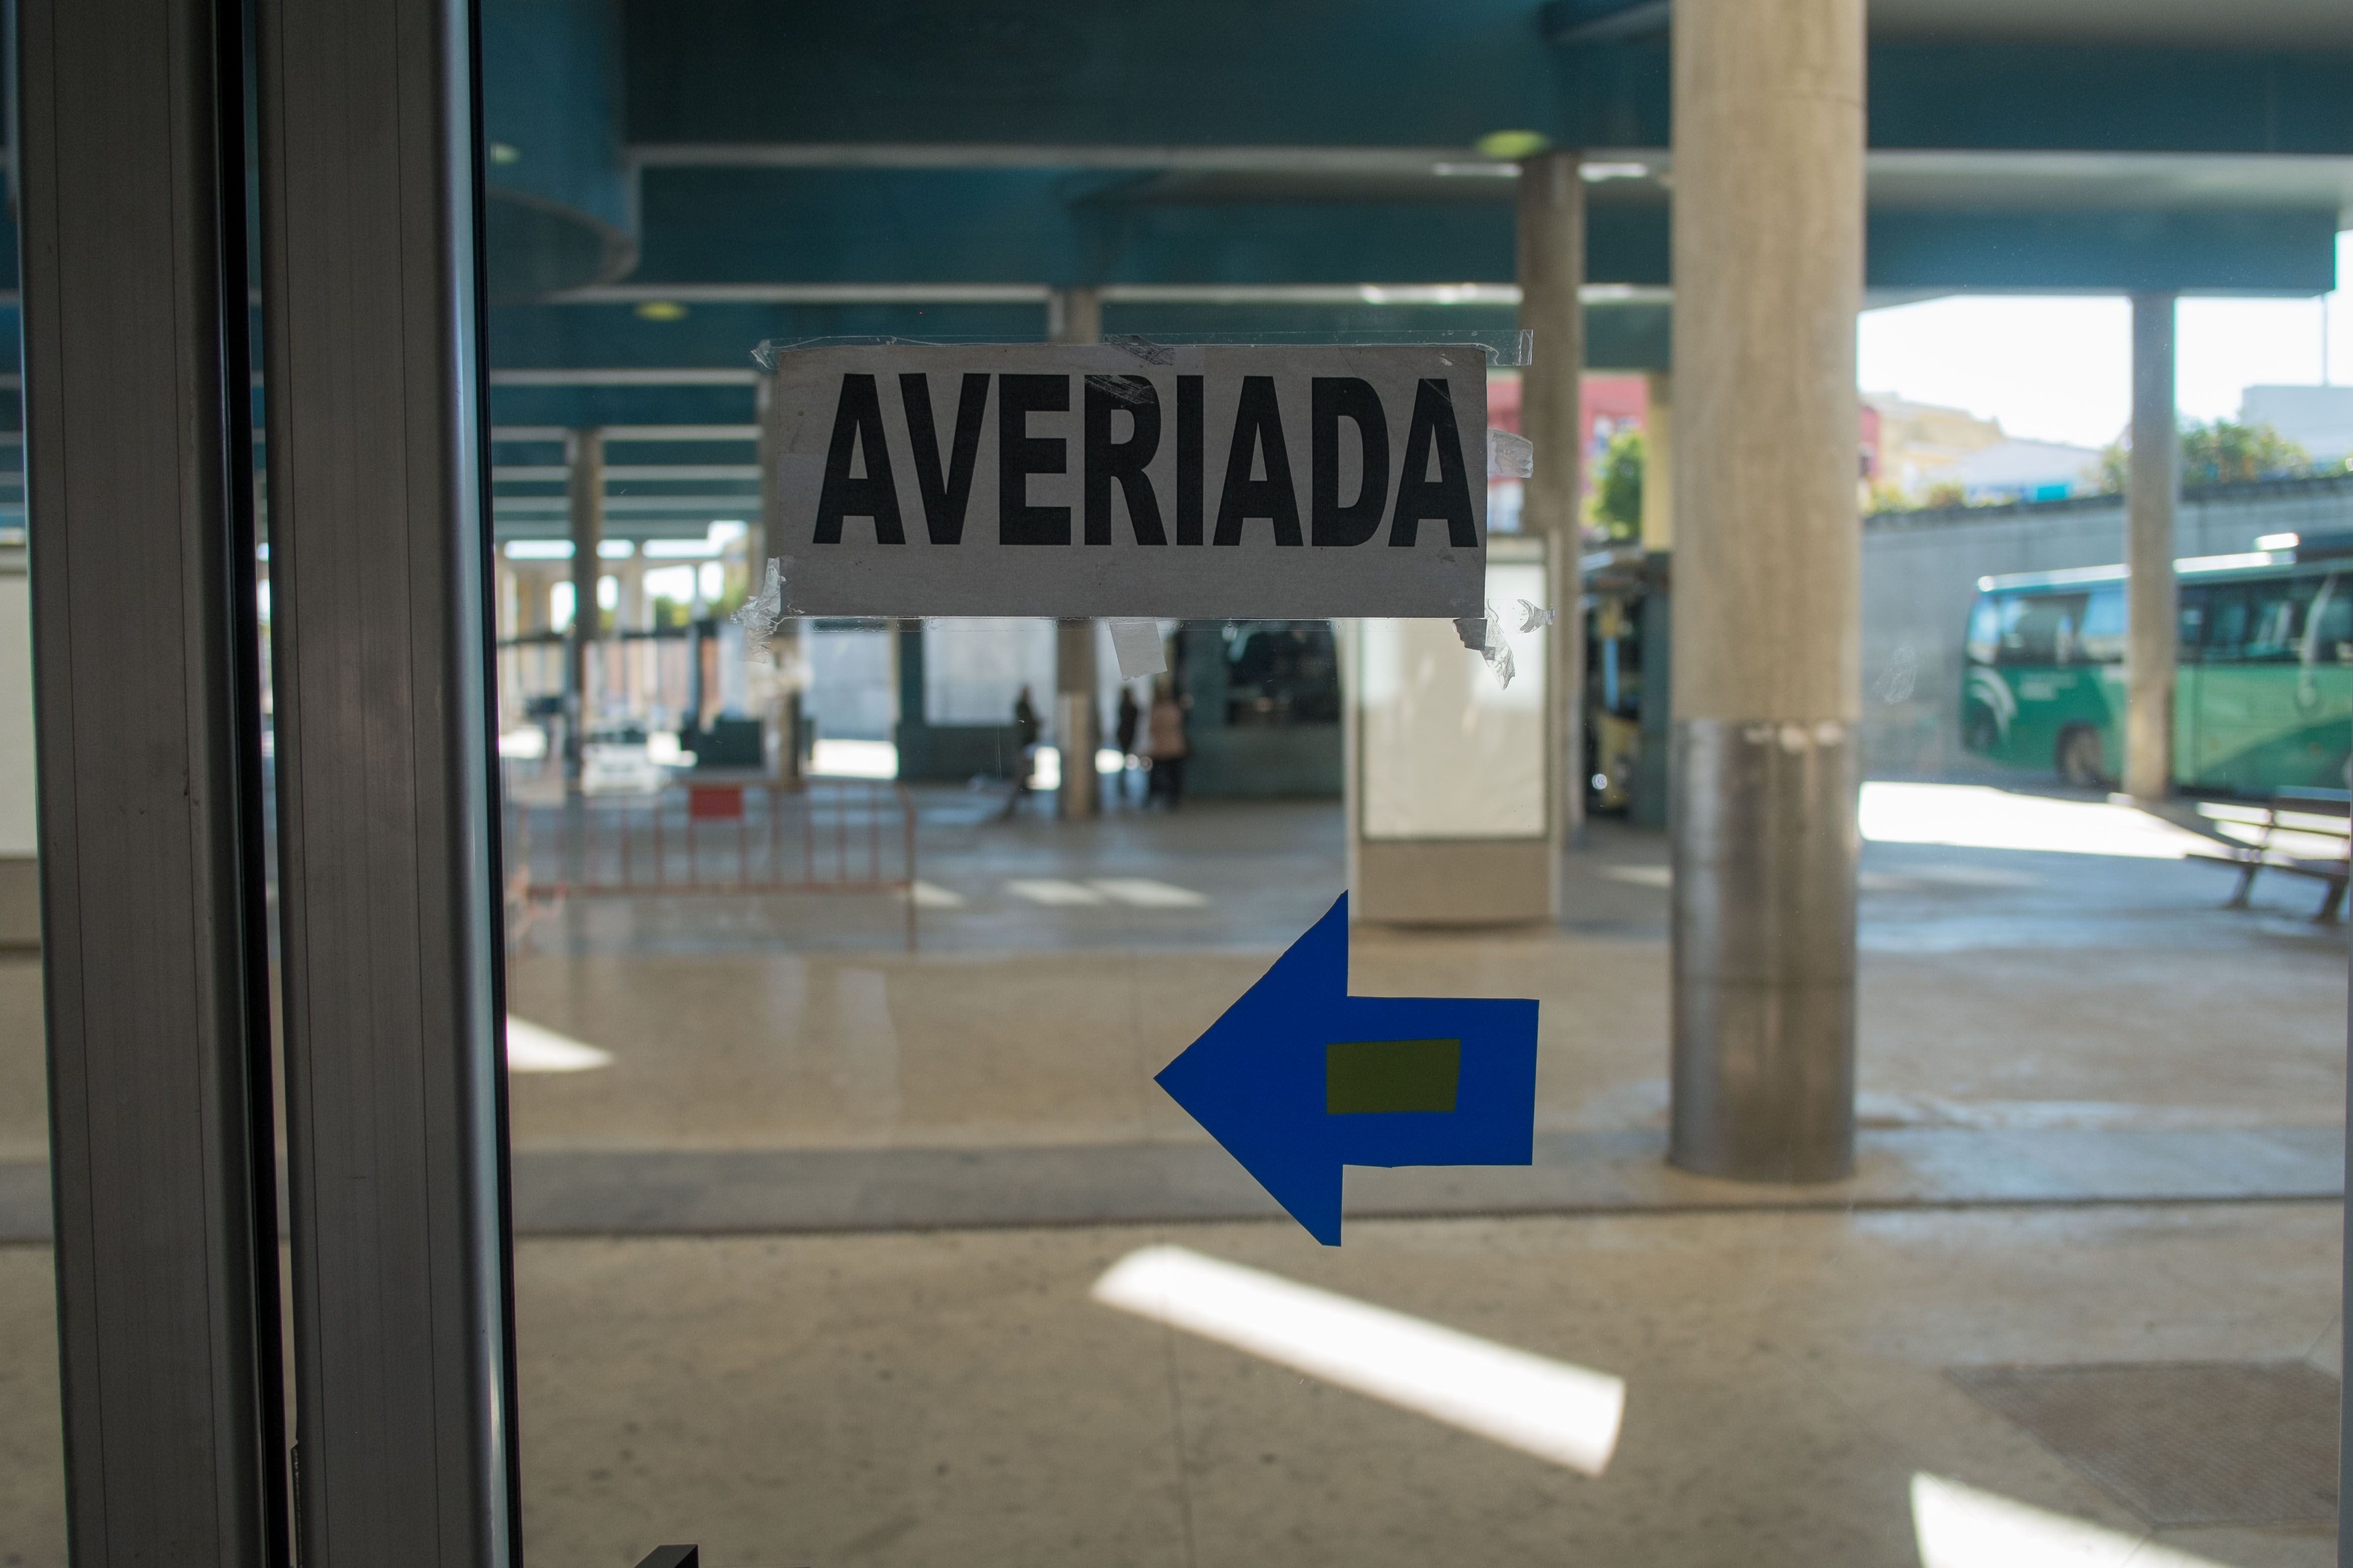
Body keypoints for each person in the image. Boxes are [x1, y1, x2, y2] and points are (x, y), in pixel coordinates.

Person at [1144, 677, 1189, 810]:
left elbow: (1152, 728)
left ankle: (1153, 796)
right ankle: (1174, 798)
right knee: (1174, 774)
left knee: (1157, 773)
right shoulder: (1174, 709)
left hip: (1161, 747)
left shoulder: (1157, 711)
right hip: (1175, 746)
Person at [999, 684, 1040, 819]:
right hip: (1025, 742)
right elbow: (1024, 722)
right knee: (1021, 770)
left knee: (1025, 769)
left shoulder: (1025, 705)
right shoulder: (1022, 706)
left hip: (1027, 742)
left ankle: (1021, 791)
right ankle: (1014, 798)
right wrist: (1035, 723)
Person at [1114, 684, 1142, 805]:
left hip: (1124, 735)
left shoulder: (1123, 706)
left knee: (1125, 761)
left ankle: (1122, 786)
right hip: (1128, 736)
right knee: (1126, 761)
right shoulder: (1129, 707)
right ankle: (1122, 787)